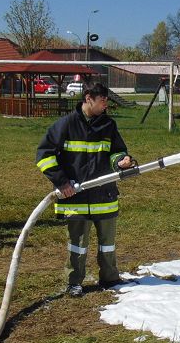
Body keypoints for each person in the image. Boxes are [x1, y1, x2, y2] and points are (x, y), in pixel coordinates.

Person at [36, 80, 136, 296]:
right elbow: (44, 156)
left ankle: (110, 278)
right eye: (102, 101)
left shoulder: (108, 125)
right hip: (76, 197)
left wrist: (121, 161)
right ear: (88, 98)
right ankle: (74, 282)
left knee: (107, 243)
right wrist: (62, 182)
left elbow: (117, 151)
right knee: (78, 244)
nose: (105, 106)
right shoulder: (65, 125)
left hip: (104, 195)